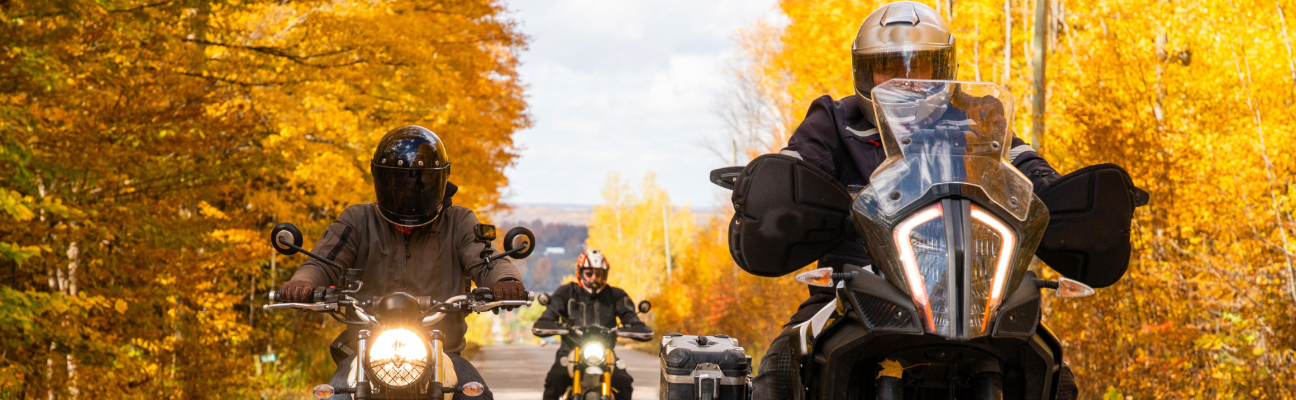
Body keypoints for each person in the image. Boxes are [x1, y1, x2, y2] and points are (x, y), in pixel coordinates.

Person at [750, 3, 1066, 399]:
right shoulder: (834, 119)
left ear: (944, 68)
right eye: (887, 66)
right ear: (864, 73)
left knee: (1053, 370)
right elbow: (797, 164)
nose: (906, 79)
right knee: (781, 365)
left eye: (921, 65)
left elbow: (1017, 159)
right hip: (850, 290)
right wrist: (776, 181)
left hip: (973, 292)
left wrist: (1051, 183)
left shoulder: (977, 116)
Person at [277, 125, 527, 400]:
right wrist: (302, 282)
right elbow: (324, 261)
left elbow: (485, 260)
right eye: (399, 185)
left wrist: (506, 281)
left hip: (441, 351)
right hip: (366, 350)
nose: (408, 195)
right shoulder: (357, 220)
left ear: (438, 183)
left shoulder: (459, 222)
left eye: (419, 184)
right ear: (381, 182)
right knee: (334, 396)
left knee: (477, 396)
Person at [532, 250, 652, 400]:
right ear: (580, 273)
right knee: (554, 380)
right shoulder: (566, 292)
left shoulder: (616, 295)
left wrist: (635, 325)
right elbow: (550, 312)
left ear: (605, 274)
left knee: (624, 382)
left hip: (605, 353)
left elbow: (630, 315)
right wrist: (547, 322)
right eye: (589, 273)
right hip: (570, 351)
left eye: (599, 273)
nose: (594, 277)